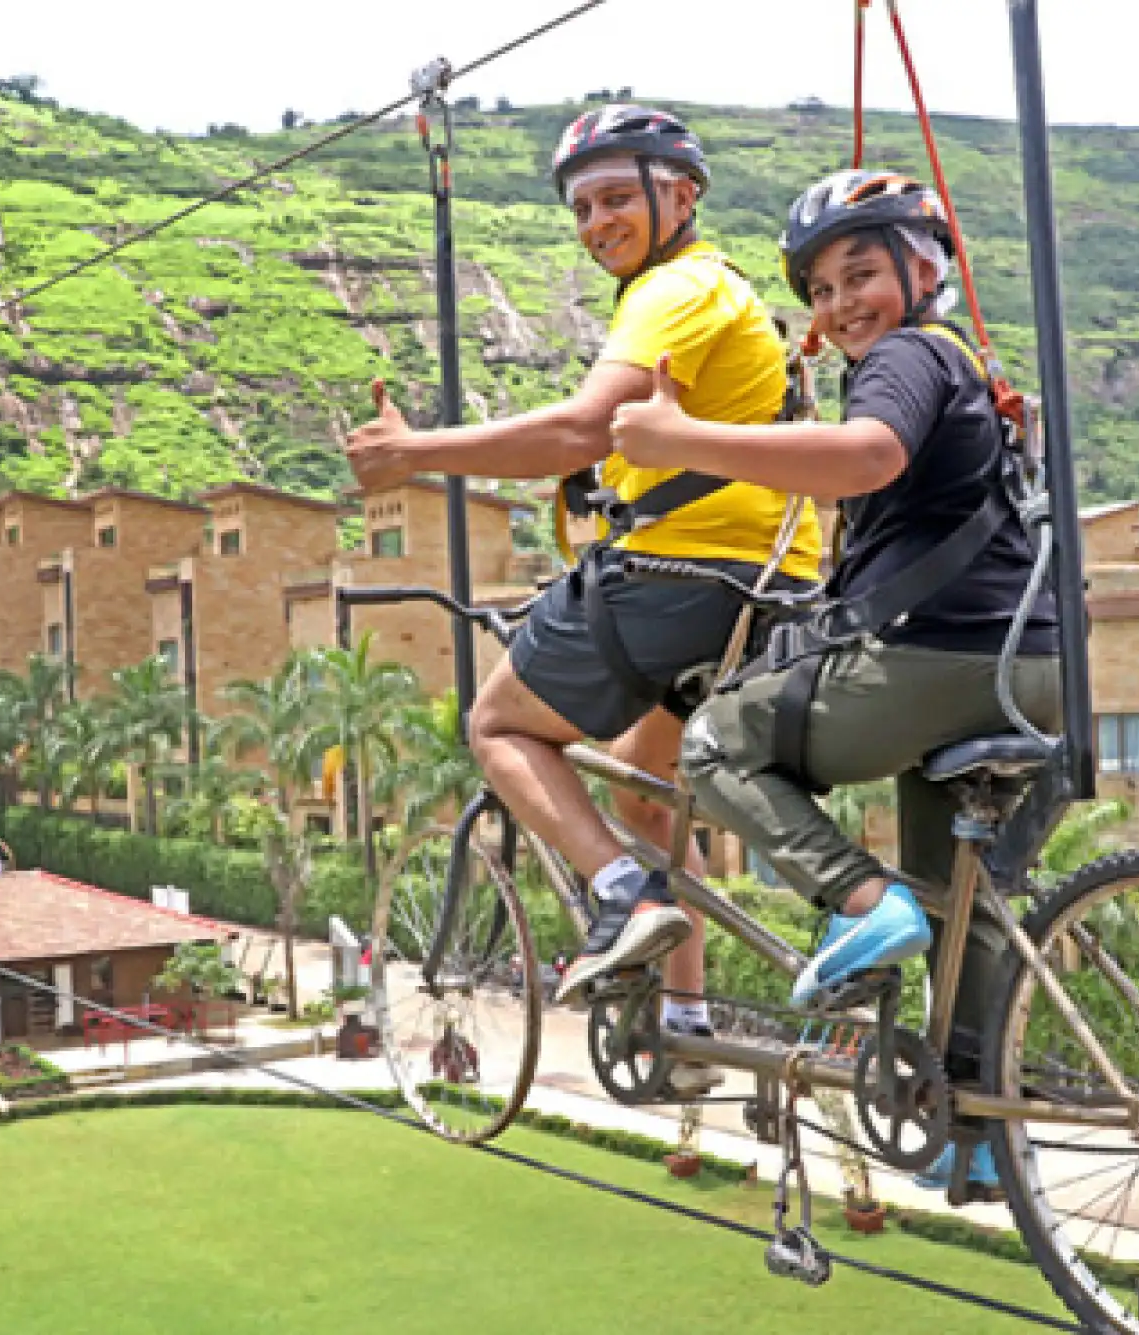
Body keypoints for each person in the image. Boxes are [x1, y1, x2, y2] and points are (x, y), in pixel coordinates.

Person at [345, 104, 821, 1093]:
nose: (597, 220)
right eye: (583, 205)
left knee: (499, 726)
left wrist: (409, 455)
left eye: (617, 196)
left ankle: (620, 895)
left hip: (679, 576)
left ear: (679, 195)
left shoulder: (673, 290)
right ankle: (682, 1028)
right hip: (761, 588)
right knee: (644, 795)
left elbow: (577, 435)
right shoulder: (709, 290)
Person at [609, 168, 1060, 1194]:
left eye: (861, 273)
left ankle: (857, 904)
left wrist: (679, 440)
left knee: (718, 739)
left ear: (924, 266)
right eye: (819, 291)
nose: (840, 304)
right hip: (1030, 670)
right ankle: (979, 1131)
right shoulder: (967, 366)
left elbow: (864, 456)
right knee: (961, 904)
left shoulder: (904, 358)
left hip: (938, 662)